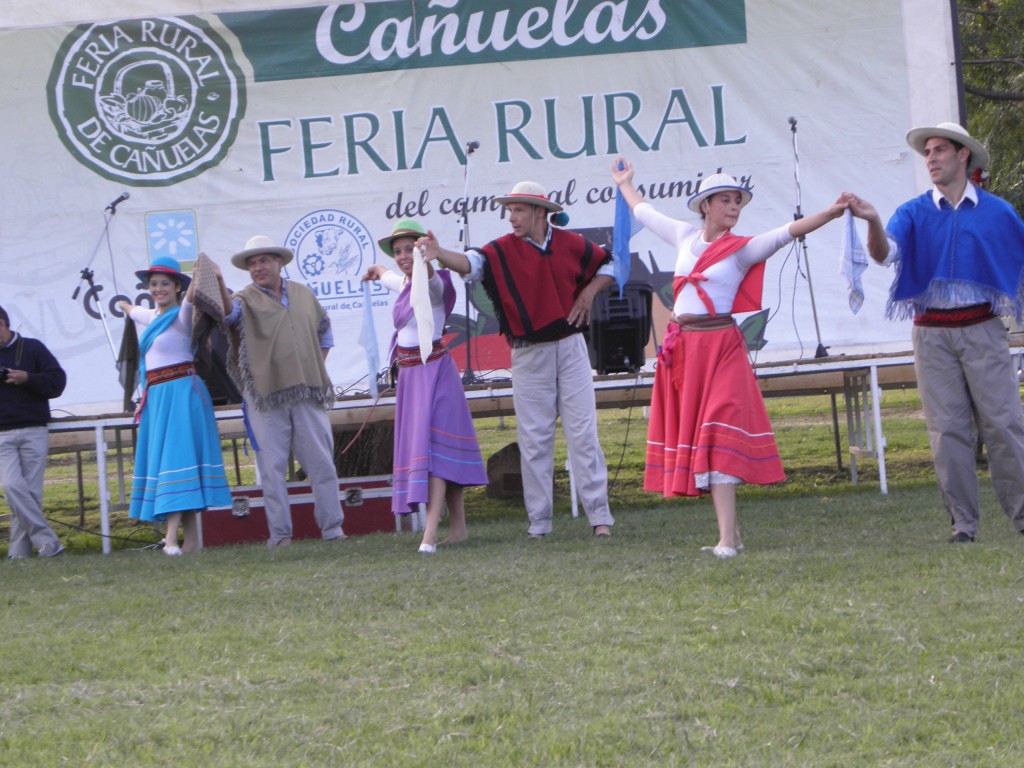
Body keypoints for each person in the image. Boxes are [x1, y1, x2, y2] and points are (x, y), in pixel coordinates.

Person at [611, 159, 847, 558]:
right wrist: (625, 183)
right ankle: (731, 536)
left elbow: (786, 233)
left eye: (738, 201)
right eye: (726, 200)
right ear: (705, 205)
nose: (734, 207)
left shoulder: (741, 250)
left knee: (716, 434)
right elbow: (643, 211)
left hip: (721, 349)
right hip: (684, 351)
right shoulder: (685, 236)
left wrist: (831, 212)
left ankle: (726, 540)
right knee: (701, 436)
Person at [843, 121, 1024, 543]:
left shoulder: (997, 211)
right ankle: (963, 523)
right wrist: (871, 220)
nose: (931, 158)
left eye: (940, 150)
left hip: (983, 329)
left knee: (1004, 424)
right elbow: (885, 254)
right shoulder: (912, 211)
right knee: (947, 430)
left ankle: (1021, 515)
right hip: (932, 335)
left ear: (963, 155)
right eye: (927, 152)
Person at [418, 181, 616, 539]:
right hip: (528, 352)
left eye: (519, 209)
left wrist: (589, 292)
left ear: (541, 212)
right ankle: (539, 523)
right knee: (535, 439)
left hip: (571, 347)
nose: (512, 217)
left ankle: (600, 519)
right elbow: (471, 264)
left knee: (583, 435)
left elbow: (610, 265)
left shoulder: (571, 244)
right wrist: (439, 252)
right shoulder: (501, 251)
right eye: (510, 210)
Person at [362, 219, 489, 553]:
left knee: (434, 452)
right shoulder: (406, 283)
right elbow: (394, 279)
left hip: (434, 374)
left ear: (424, 252)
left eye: (411, 249)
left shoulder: (434, 283)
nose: (404, 256)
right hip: (411, 377)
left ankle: (429, 534)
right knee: (440, 451)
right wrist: (376, 269)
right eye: (399, 251)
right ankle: (458, 528)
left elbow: (428, 281)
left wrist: (428, 259)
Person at [220, 235, 346, 547]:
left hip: (308, 394)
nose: (257, 267)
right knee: (271, 468)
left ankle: (333, 530)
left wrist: (309, 367)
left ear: (279, 262)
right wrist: (219, 282)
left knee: (322, 464)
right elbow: (227, 316)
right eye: (251, 263)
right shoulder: (242, 299)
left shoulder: (304, 295)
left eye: (263, 260)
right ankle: (280, 536)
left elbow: (325, 333)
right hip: (265, 396)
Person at [117, 256, 233, 555]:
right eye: (153, 284)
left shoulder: (183, 315)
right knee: (179, 463)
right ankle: (192, 543)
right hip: (158, 398)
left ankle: (170, 539)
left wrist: (206, 269)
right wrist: (124, 306)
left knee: (176, 461)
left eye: (164, 283)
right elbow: (135, 312)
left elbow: (196, 292)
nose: (158, 289)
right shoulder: (153, 318)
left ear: (177, 287)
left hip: (182, 394)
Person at [0, 304, 67, 559]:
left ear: (2, 324)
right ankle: (48, 542)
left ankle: (19, 554)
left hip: (33, 428)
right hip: (2, 434)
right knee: (13, 487)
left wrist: (27, 378)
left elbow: (57, 383)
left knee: (30, 495)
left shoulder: (33, 348)